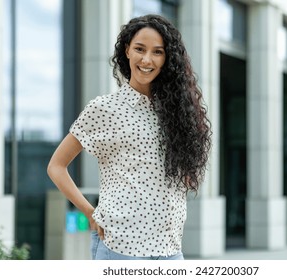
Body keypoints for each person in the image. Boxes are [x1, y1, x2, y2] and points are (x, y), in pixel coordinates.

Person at [47, 14, 212, 260]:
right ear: (127, 51)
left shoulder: (177, 112)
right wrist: (90, 213)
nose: (147, 59)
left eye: (158, 52)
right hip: (121, 249)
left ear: (168, 59)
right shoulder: (104, 108)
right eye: (139, 49)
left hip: (170, 250)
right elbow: (56, 166)